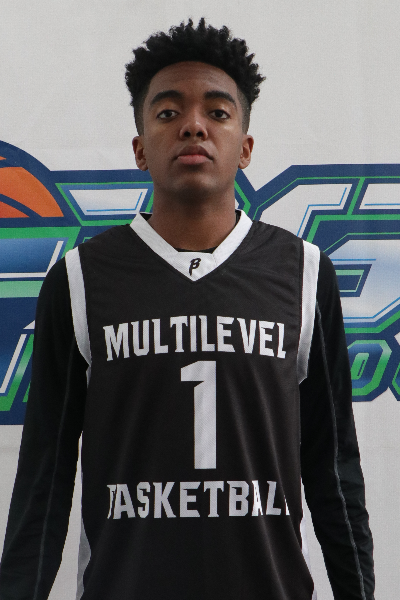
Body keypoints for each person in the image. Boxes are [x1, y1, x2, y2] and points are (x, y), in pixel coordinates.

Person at [0, 18, 374, 600]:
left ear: (245, 148)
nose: (193, 125)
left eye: (217, 112)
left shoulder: (302, 271)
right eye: (168, 112)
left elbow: (333, 467)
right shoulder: (81, 278)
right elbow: (43, 480)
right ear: (140, 149)